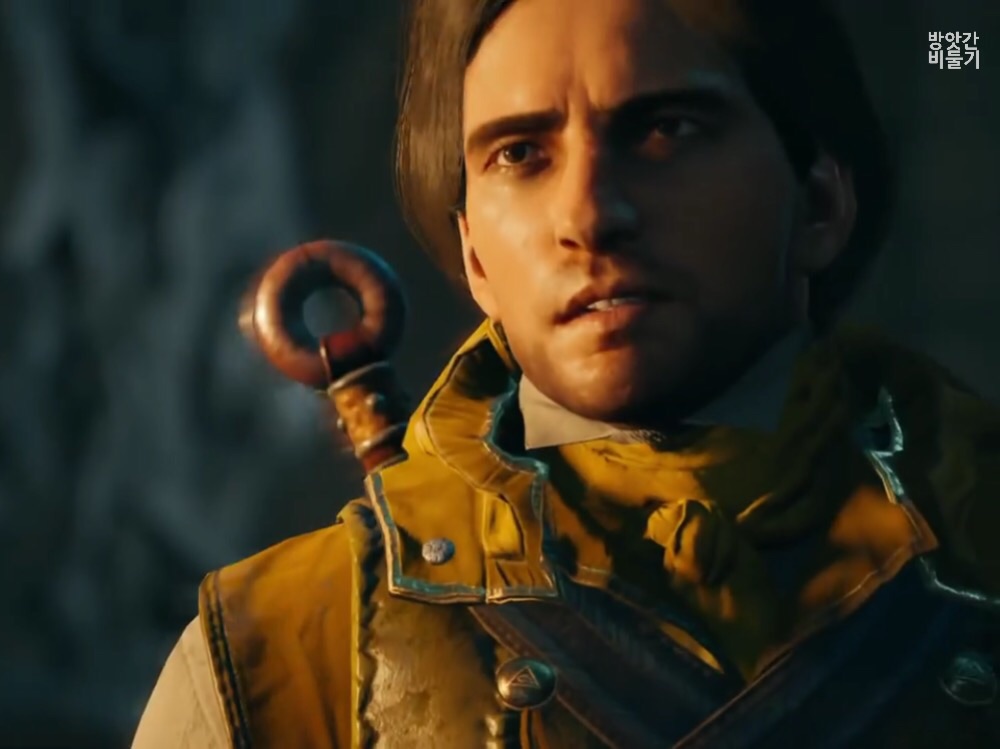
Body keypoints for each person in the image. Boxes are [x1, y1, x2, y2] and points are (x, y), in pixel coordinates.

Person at [132, 0, 1000, 746]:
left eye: (666, 130)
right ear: (474, 255)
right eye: (520, 154)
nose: (588, 214)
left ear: (819, 201)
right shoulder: (280, 653)